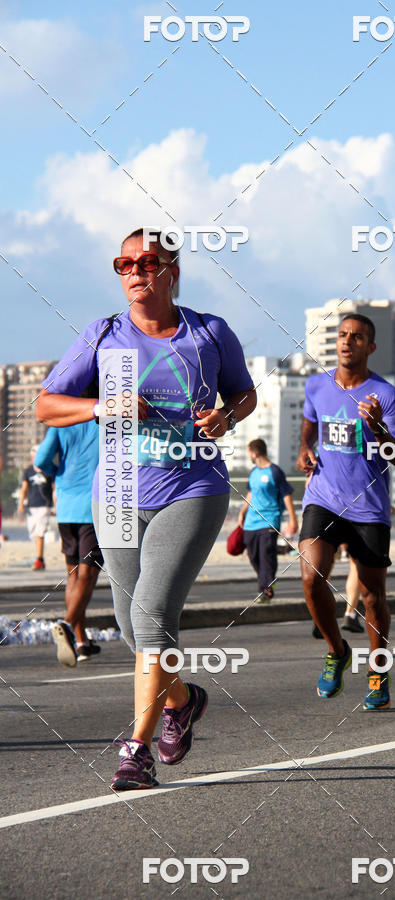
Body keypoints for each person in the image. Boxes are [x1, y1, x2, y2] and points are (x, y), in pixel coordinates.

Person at [37, 227, 256, 790]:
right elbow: (45, 406)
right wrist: (100, 406)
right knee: (136, 633)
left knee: (153, 616)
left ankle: (134, 749)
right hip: (116, 493)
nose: (134, 271)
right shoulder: (102, 335)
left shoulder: (209, 332)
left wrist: (227, 417)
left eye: (147, 261)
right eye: (123, 263)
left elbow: (244, 392)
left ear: (172, 271)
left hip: (192, 487)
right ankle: (182, 700)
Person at [296, 314, 395, 710]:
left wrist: (378, 426)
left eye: (357, 337)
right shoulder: (316, 385)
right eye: (342, 335)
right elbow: (309, 426)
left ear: (370, 347)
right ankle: (337, 650)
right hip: (323, 496)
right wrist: (304, 448)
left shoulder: (386, 394)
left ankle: (377, 672)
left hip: (369, 507)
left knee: (374, 597)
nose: (347, 342)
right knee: (311, 577)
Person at [35, 413, 104, 666]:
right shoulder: (107, 420)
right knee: (88, 575)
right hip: (96, 505)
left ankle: (81, 641)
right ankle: (67, 623)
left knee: (73, 575)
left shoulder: (61, 421)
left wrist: (58, 473)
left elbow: (41, 460)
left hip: (65, 506)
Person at [238, 438, 298, 602]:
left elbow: (286, 494)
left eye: (249, 452)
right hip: (251, 521)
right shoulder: (253, 472)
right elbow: (250, 494)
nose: (249, 455)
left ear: (255, 452)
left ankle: (265, 589)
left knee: (266, 554)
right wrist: (242, 512)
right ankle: (267, 582)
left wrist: (293, 518)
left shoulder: (275, 471)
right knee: (253, 555)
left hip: (270, 519)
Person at [17, 446, 54, 570]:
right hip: (31, 506)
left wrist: (56, 506)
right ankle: (39, 558)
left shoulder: (48, 469)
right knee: (33, 532)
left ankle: (39, 559)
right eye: (33, 454)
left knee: (40, 532)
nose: (35, 456)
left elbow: (55, 489)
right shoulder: (28, 471)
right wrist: (21, 504)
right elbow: (24, 489)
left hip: (45, 505)